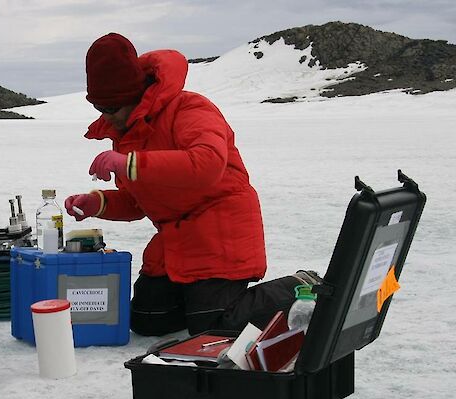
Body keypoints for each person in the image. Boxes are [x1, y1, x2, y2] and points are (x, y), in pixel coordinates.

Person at [65, 32, 319, 336]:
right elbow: (138, 201)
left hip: (220, 231)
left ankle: (303, 285)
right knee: (148, 320)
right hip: (176, 241)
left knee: (212, 327)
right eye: (99, 109)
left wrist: (129, 163)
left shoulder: (190, 109)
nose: (107, 117)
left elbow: (207, 164)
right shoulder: (127, 129)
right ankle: (199, 298)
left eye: (111, 109)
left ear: (133, 95)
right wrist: (98, 203)